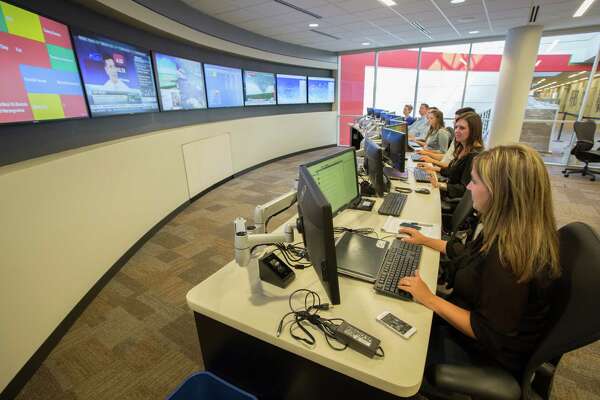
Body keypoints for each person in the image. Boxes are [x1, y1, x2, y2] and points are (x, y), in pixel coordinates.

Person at [398, 144, 561, 378]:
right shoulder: (506, 229)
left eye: (475, 182)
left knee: (396, 344)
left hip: (482, 354)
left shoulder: (510, 259)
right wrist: (425, 240)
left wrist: (430, 299)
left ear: (499, 192)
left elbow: (487, 331)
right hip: (473, 315)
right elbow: (467, 254)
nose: (468, 187)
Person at [418, 111, 483, 200]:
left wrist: (439, 185)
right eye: (456, 127)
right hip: (448, 189)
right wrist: (431, 168)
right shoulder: (461, 148)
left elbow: (464, 189)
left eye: (462, 128)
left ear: (473, 131)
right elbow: (451, 170)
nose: (456, 131)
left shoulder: (474, 156)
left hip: (452, 199)